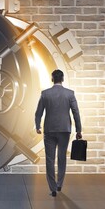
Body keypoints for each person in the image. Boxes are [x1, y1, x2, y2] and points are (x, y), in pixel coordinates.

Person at [35, 69, 82, 197]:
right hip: (64, 130)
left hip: (49, 130)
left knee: (49, 159)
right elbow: (76, 113)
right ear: (62, 79)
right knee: (62, 158)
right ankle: (60, 184)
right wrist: (79, 130)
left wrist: (37, 126)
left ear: (52, 79)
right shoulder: (70, 94)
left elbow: (38, 112)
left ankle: (53, 188)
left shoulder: (45, 94)